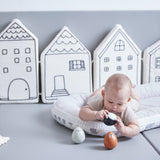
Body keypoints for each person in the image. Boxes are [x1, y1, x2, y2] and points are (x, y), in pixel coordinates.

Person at [79, 73, 140, 137]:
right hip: (100, 96)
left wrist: (123, 129)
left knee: (137, 103)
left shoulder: (126, 110)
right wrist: (96, 114)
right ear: (103, 95)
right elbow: (82, 113)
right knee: (92, 97)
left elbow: (136, 127)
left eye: (119, 104)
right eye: (110, 102)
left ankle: (131, 89)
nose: (114, 107)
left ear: (127, 101)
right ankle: (102, 87)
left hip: (127, 101)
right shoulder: (100, 101)